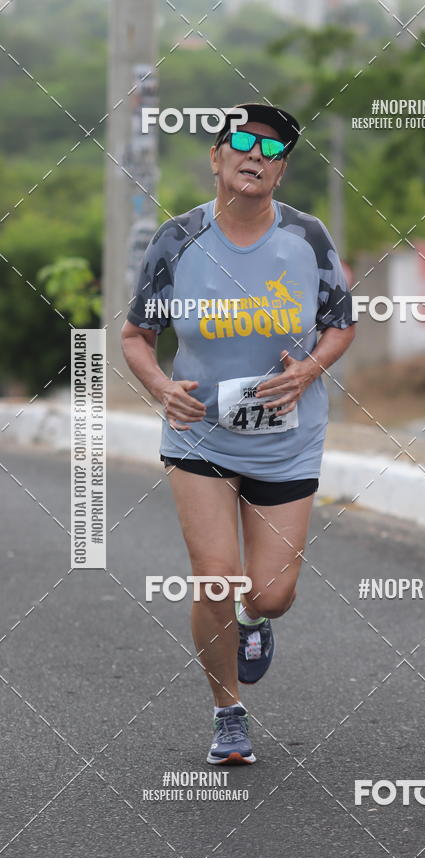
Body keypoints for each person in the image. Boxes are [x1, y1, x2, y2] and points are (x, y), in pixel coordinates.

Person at [121, 102, 355, 764]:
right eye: (243, 143)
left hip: (288, 435)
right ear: (218, 158)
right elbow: (136, 336)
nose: (256, 155)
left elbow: (342, 324)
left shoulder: (307, 238)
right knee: (216, 577)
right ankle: (228, 712)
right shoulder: (179, 238)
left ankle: (255, 621)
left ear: (281, 172)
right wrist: (162, 388)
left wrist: (309, 369)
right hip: (202, 436)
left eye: (272, 150)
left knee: (271, 593)